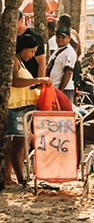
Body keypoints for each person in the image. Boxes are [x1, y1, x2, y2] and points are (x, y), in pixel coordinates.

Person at [5, 37, 49, 189]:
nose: (32, 55)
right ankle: (19, 178)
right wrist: (39, 80)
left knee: (14, 144)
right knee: (18, 144)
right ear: (23, 48)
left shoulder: (19, 61)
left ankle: (9, 176)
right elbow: (15, 82)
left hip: (22, 108)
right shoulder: (14, 61)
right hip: (16, 108)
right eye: (32, 51)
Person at [48, 26, 79, 100]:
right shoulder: (58, 50)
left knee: (63, 111)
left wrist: (60, 91)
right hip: (55, 88)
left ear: (69, 38)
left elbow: (68, 73)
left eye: (63, 37)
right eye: (58, 37)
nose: (60, 39)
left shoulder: (69, 51)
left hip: (64, 90)